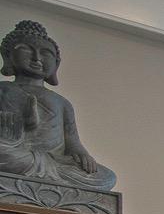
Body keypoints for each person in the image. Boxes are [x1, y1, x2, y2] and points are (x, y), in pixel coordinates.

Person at [0, 20, 117, 190]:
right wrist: (18, 126)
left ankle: (41, 180)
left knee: (107, 178)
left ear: (56, 63)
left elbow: (72, 142)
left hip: (54, 162)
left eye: (46, 53)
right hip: (12, 153)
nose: (37, 58)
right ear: (8, 56)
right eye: (26, 50)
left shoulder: (62, 103)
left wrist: (83, 156)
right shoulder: (3, 89)